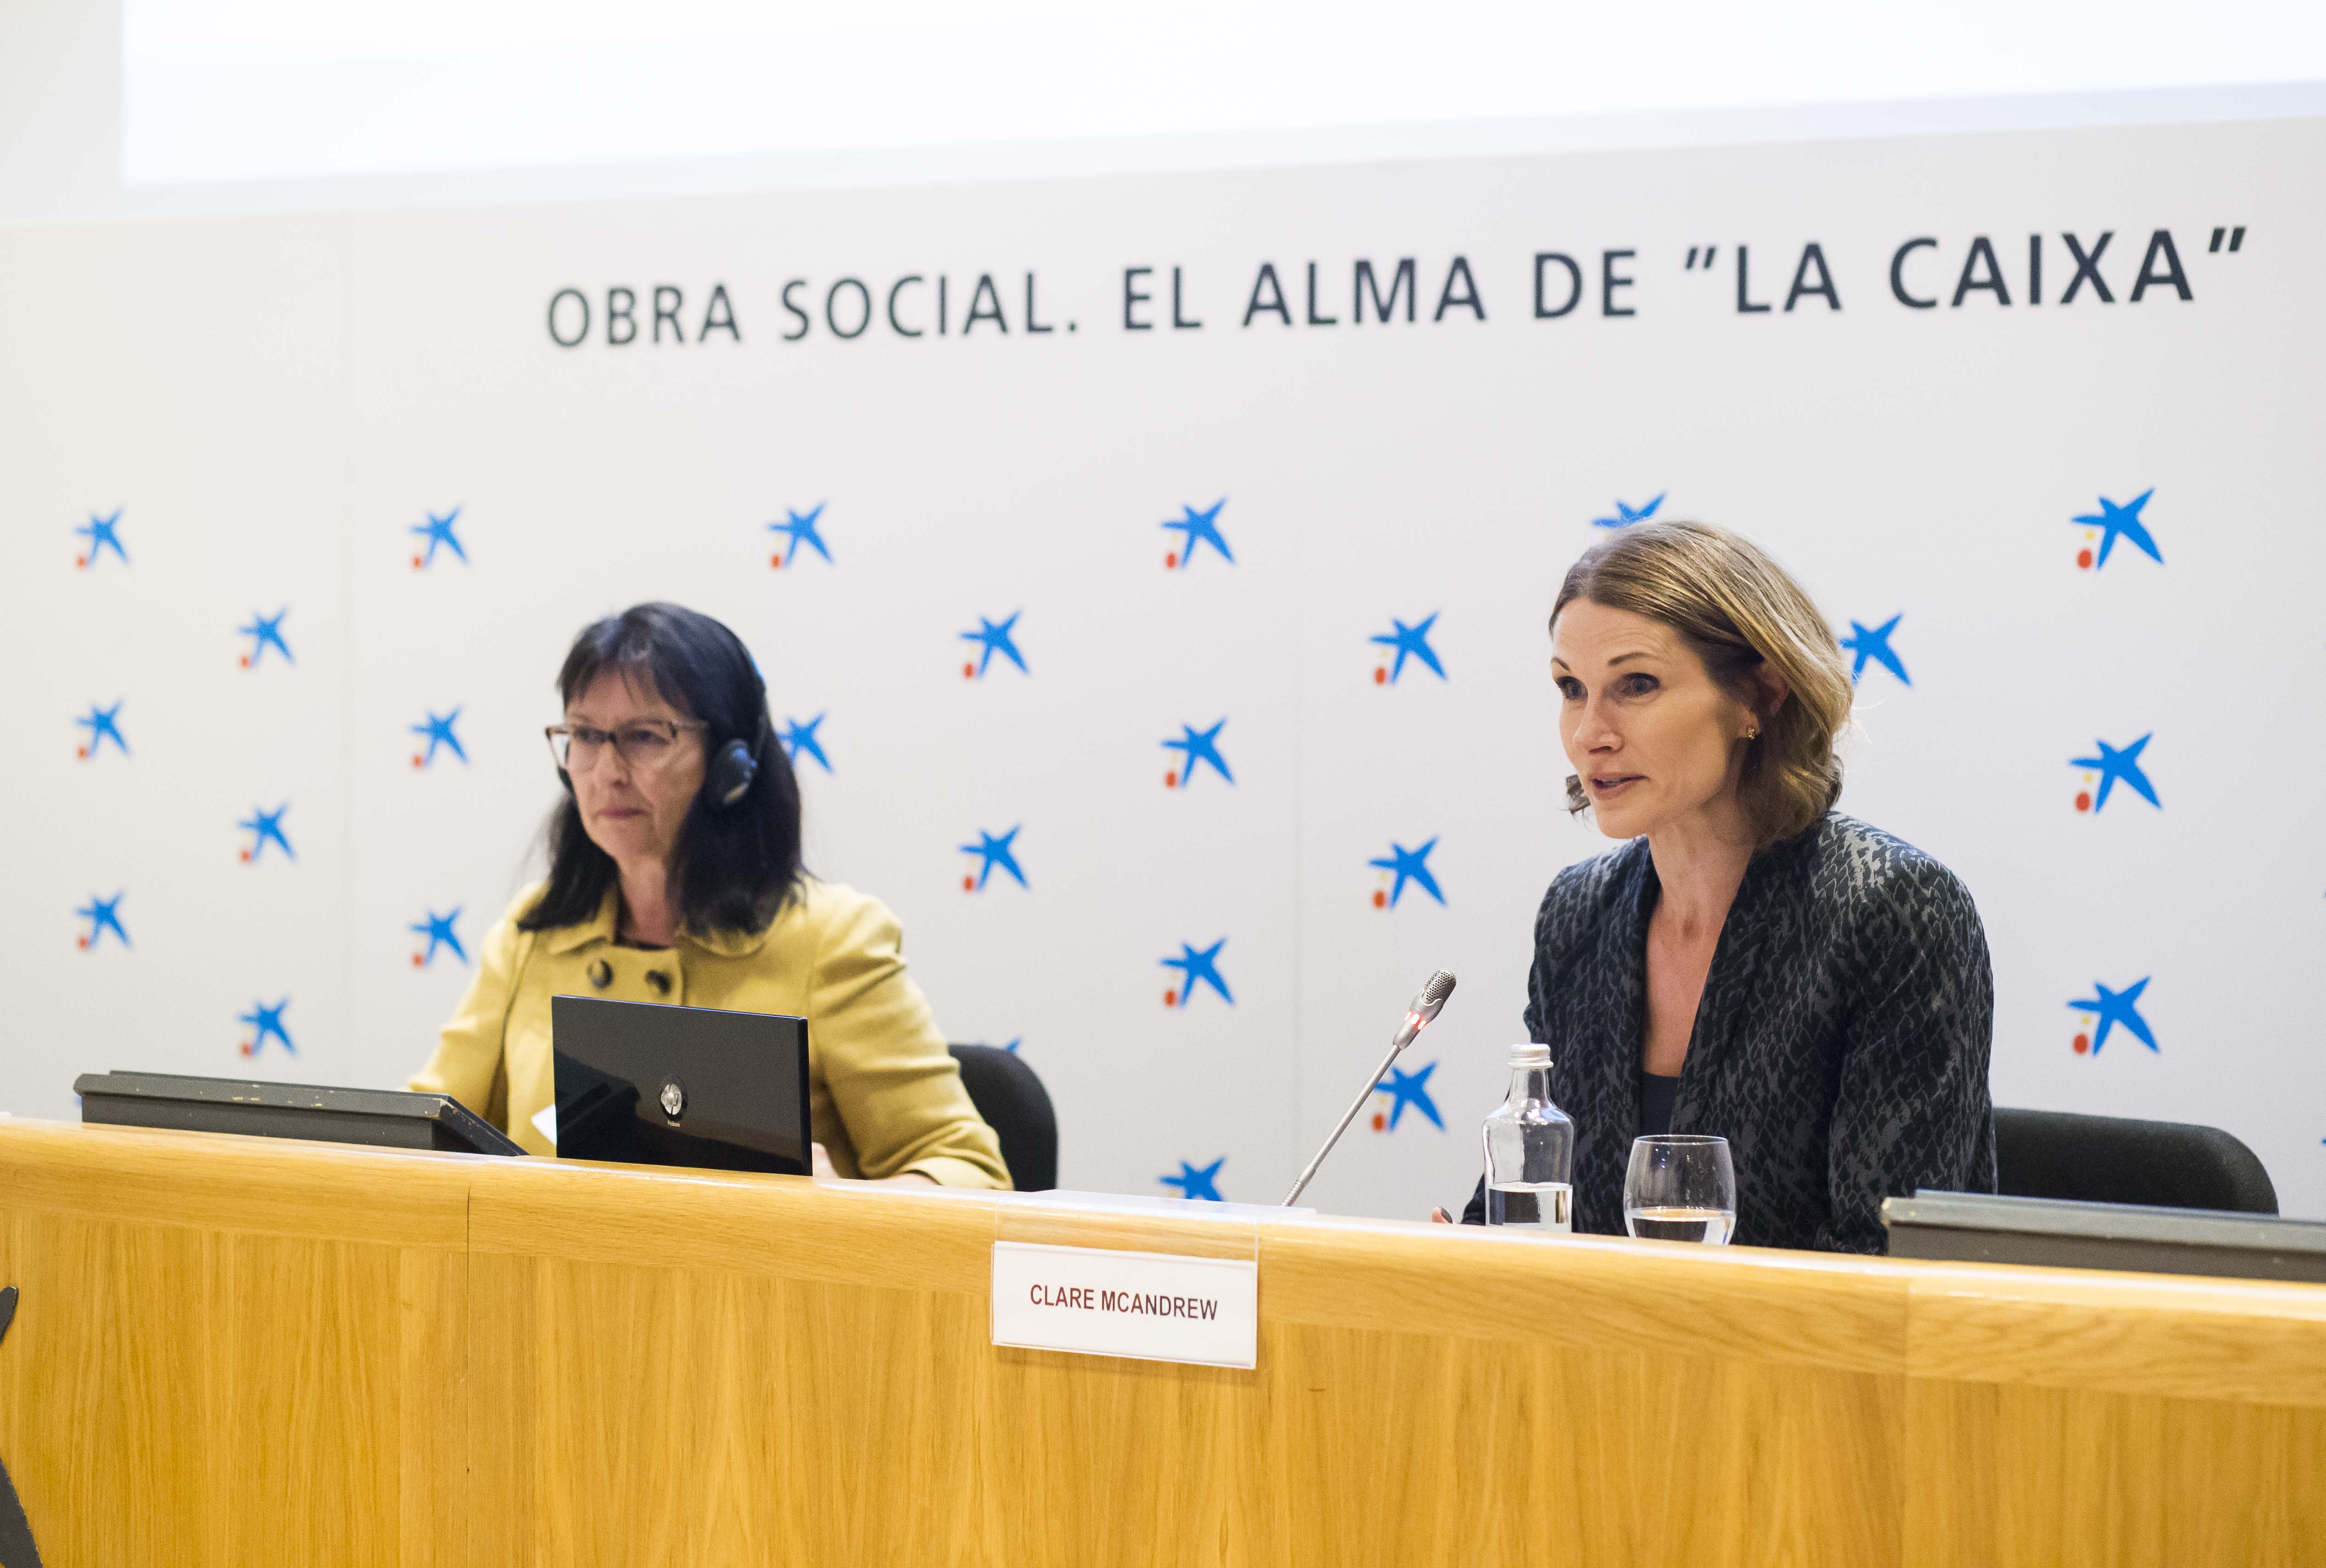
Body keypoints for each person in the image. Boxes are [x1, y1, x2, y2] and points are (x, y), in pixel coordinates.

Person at [1439, 521, 1994, 1251]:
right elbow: (1528, 1219)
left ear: (1759, 695)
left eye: (1636, 685)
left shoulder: (1891, 909)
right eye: (1572, 689)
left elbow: (1891, 1268)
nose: (1589, 733)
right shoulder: (1579, 916)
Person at [409, 602, 1010, 1188]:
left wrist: (846, 1203)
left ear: (731, 765)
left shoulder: (832, 938)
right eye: (586, 735)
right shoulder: (532, 932)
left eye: (645, 736)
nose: (607, 770)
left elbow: (970, 1172)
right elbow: (424, 1137)